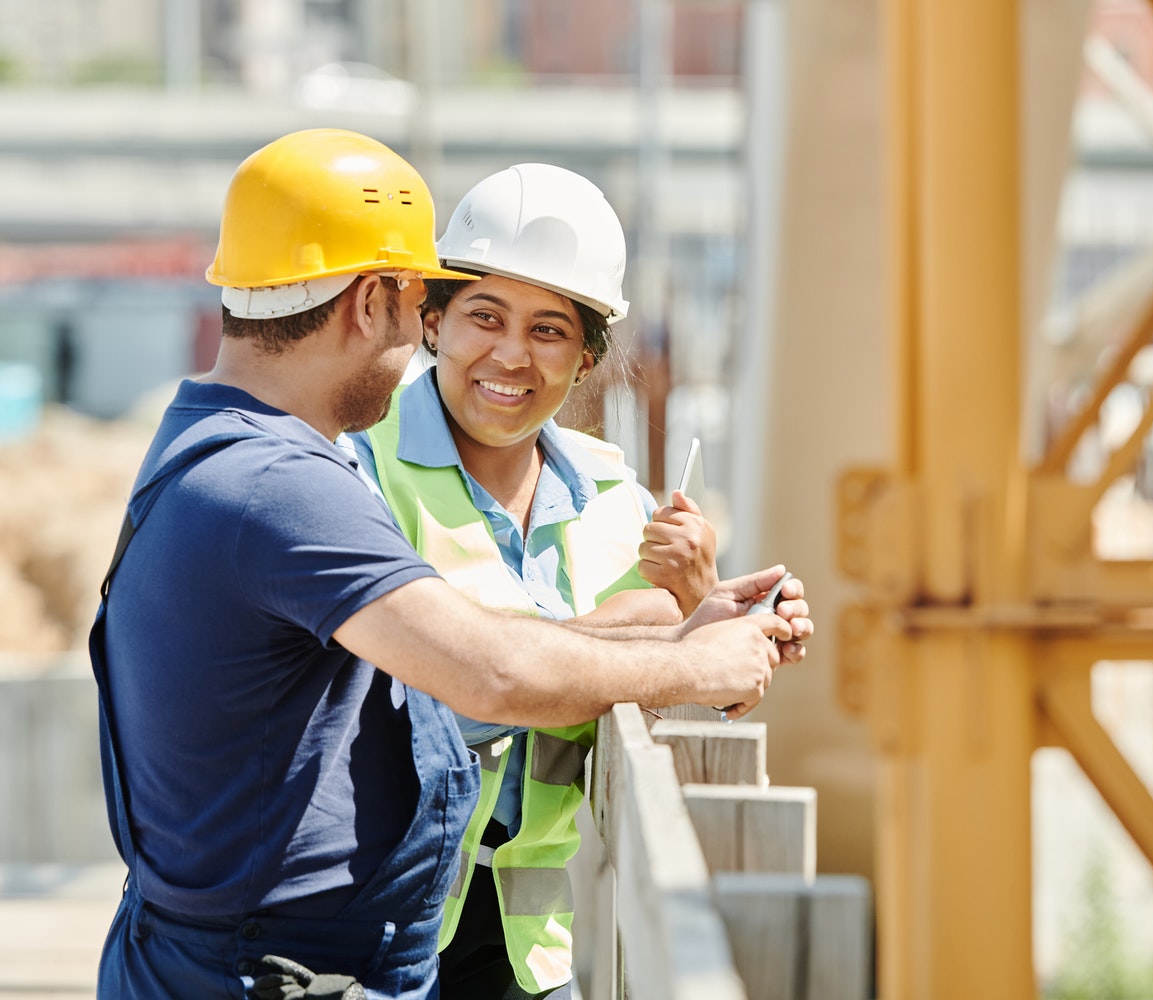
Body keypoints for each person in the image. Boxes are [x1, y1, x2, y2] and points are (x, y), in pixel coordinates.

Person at [90, 128, 810, 1000]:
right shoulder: (289, 484)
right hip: (268, 968)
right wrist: (684, 656)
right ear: (376, 302)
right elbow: (487, 673)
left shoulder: (228, 451)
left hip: (307, 955)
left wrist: (683, 628)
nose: (428, 346)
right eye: (430, 306)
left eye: (549, 329)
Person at [349, 162, 757, 1000]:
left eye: (549, 330)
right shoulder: (359, 466)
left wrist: (699, 604)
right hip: (374, 930)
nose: (511, 354)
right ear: (432, 323)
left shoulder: (616, 497)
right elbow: (443, 684)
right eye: (484, 316)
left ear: (585, 358)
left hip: (532, 949)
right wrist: (644, 625)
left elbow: (672, 689)